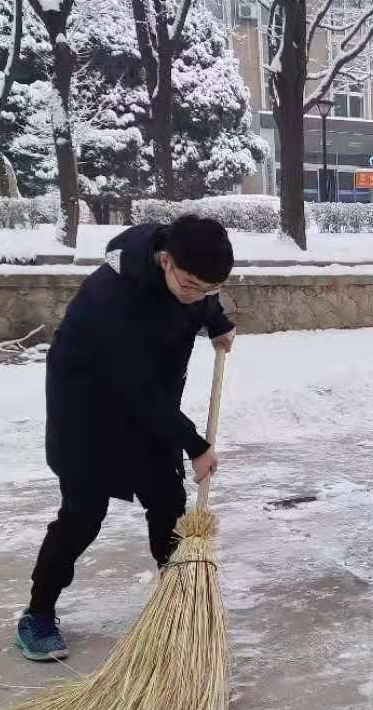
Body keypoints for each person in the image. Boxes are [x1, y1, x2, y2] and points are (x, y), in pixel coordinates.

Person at [15, 214, 236, 662]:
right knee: (83, 515)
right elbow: (134, 390)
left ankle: (177, 601)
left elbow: (200, 296)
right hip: (88, 408)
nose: (198, 294)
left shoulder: (189, 276)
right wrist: (195, 445)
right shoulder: (111, 297)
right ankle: (37, 614)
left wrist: (217, 319)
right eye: (192, 285)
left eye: (209, 288)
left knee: (168, 503)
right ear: (166, 260)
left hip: (151, 401)